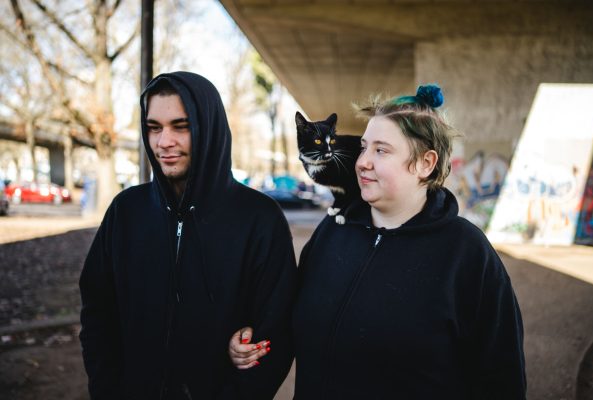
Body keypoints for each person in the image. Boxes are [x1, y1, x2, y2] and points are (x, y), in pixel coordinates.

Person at [229, 85, 527, 399]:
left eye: (381, 150)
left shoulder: (466, 253)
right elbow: (291, 322)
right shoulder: (332, 232)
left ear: (426, 163)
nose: (362, 161)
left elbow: (501, 378)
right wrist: (252, 339)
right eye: (363, 147)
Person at [79, 71, 298, 399]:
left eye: (180, 126)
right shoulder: (126, 212)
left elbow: (276, 331)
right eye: (154, 128)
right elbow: (97, 314)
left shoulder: (260, 219)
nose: (164, 141)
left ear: (208, 128)